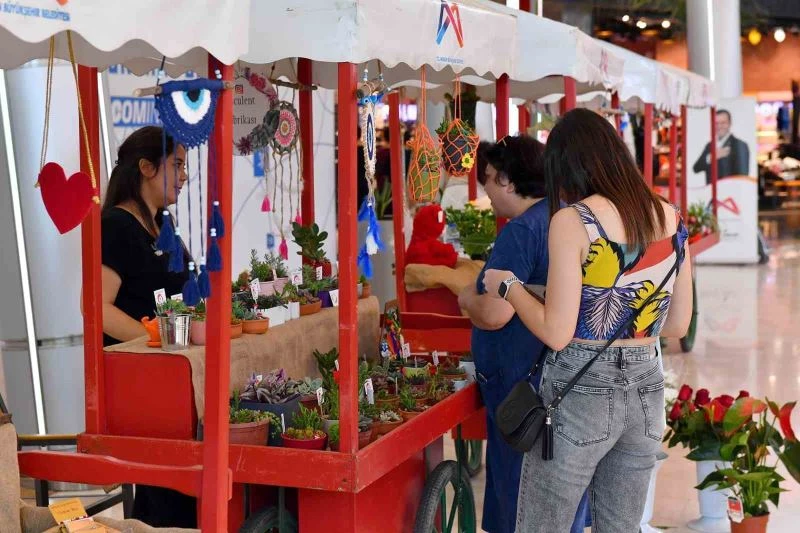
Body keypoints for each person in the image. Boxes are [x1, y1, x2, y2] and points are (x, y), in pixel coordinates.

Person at [483, 109, 692, 532]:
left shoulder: (575, 220)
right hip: (647, 389)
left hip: (583, 388)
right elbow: (676, 325)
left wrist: (508, 287)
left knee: (546, 524)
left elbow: (558, 334)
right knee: (620, 526)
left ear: (567, 167)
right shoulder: (670, 217)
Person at [458, 135, 589, 533]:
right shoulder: (565, 217)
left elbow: (496, 312)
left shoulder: (522, 231)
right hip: (564, 379)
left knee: (518, 491)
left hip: (520, 385)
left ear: (508, 180)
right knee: (561, 491)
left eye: (489, 179)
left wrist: (466, 298)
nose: (488, 191)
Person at [100, 126, 196, 527]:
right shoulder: (116, 226)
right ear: (146, 168)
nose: (184, 176)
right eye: (176, 165)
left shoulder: (163, 222)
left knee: (179, 493)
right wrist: (153, 338)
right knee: (167, 496)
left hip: (173, 380)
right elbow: (96, 308)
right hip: (146, 386)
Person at [693, 109, 750, 184]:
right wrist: (712, 157)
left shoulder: (740, 145)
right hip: (710, 193)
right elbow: (696, 168)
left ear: (729, 124)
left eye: (723, 123)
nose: (719, 126)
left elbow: (742, 176)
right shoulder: (710, 145)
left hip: (731, 193)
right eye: (716, 123)